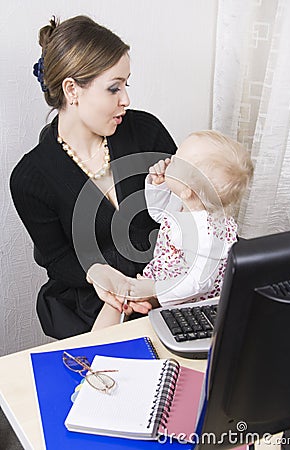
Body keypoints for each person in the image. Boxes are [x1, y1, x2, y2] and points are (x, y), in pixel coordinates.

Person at [10, 15, 177, 339]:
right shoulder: (31, 178)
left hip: (167, 291)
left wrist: (158, 286)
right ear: (72, 89)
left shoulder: (146, 131)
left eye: (126, 84)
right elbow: (57, 259)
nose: (126, 99)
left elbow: (189, 211)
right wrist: (96, 273)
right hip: (87, 309)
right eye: (114, 87)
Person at [90, 130, 254, 330]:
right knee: (118, 299)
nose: (169, 160)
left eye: (177, 160)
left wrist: (156, 290)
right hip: (165, 275)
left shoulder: (207, 233)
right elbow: (158, 214)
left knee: (126, 298)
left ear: (187, 189)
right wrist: (158, 185)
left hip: (189, 296)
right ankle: (92, 346)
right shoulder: (187, 201)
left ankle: (95, 347)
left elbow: (199, 283)